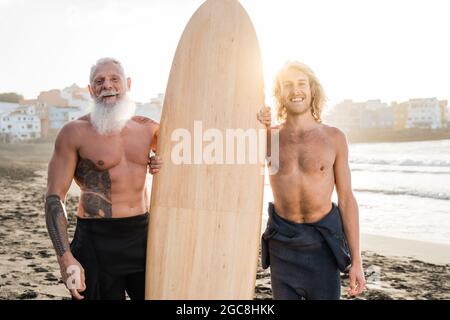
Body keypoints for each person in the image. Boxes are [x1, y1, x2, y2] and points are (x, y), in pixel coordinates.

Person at [45, 57, 162, 300]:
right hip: (95, 242)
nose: (107, 85)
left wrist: (163, 163)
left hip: (143, 238)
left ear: (127, 84)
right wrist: (65, 257)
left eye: (114, 79)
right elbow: (55, 198)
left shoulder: (148, 129)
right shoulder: (74, 132)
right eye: (99, 81)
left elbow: (192, 155)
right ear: (90, 90)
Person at [257, 61, 365, 300]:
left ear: (312, 90)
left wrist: (357, 261)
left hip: (323, 247)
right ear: (280, 94)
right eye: (287, 85)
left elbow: (346, 199)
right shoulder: (267, 137)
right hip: (283, 246)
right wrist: (254, 120)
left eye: (301, 84)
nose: (295, 90)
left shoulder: (333, 137)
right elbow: (231, 167)